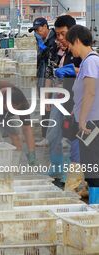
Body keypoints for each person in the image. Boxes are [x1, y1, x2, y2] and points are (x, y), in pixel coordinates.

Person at [46, 15, 82, 182]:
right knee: (53, 133)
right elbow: (49, 72)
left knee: (71, 136)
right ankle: (56, 167)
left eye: (63, 34)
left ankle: (71, 175)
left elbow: (88, 72)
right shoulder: (56, 49)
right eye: (57, 34)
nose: (60, 38)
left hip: (74, 99)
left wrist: (72, 70)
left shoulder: (79, 50)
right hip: (58, 95)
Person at [66, 25, 99, 203]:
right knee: (90, 163)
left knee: (93, 163)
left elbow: (90, 92)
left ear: (77, 40)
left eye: (71, 44)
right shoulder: (87, 62)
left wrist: (83, 119)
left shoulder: (91, 61)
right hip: (90, 119)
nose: (70, 48)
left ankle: (95, 204)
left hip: (92, 121)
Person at [29, 17, 58, 147]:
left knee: (51, 106)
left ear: (46, 27)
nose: (37, 32)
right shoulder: (41, 40)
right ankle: (46, 135)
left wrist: (43, 47)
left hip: (51, 78)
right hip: (42, 75)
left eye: (38, 29)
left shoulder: (54, 39)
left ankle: (50, 136)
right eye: (35, 30)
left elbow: (50, 56)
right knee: (44, 106)